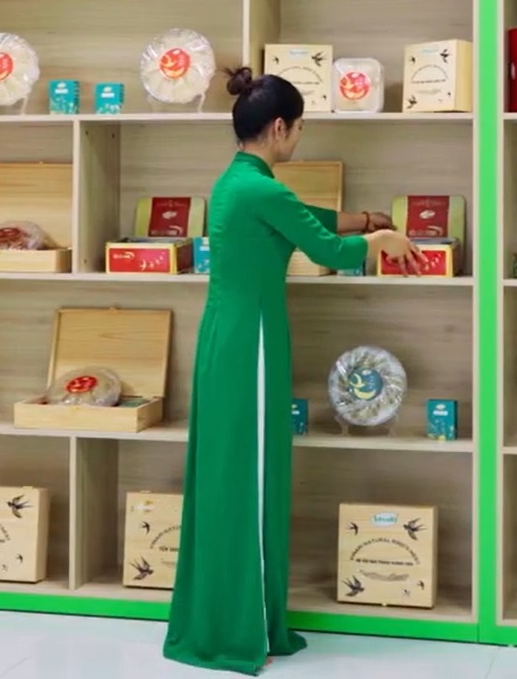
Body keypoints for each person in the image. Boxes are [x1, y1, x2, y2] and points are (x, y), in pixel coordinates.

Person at [163, 67, 425, 675]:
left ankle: (225, 615)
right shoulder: (262, 190)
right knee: (249, 477)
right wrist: (382, 243)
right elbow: (325, 249)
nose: (300, 137)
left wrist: (364, 219)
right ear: (279, 127)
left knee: (227, 474)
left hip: (226, 336)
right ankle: (238, 628)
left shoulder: (237, 182)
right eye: (301, 127)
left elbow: (302, 217)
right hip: (250, 342)